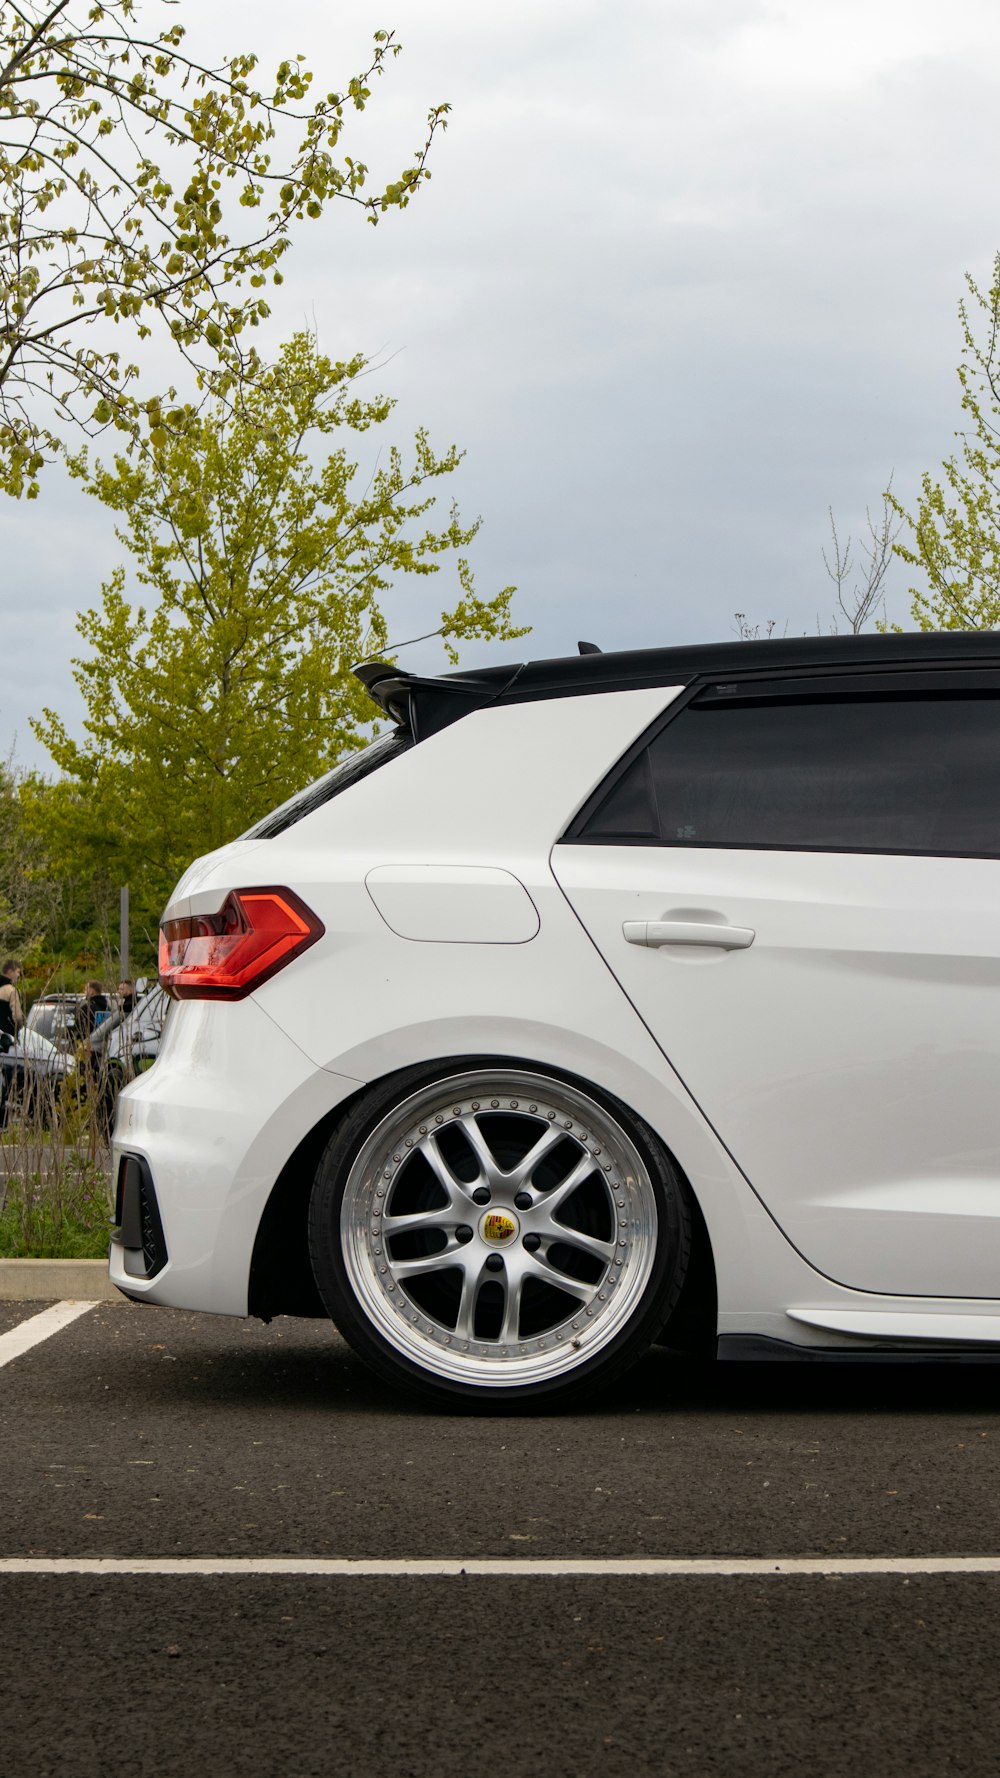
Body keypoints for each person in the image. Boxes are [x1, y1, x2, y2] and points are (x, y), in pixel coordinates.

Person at [0, 959, 24, 1053]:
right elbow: (17, 1017)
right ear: (10, 972)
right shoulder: (11, 991)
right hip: (8, 1040)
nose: (18, 975)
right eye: (17, 972)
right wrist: (21, 1027)